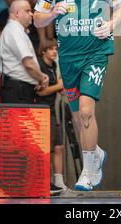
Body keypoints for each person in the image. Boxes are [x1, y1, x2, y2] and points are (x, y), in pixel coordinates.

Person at [34, 0, 121, 191]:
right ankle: (95, 153)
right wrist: (51, 14)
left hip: (96, 52)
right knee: (76, 117)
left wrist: (111, 24)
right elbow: (37, 17)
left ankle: (89, 170)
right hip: (68, 56)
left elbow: (119, 7)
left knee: (86, 111)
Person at [0, 0, 49, 104]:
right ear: (17, 13)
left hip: (19, 89)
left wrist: (37, 79)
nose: (32, 14)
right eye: (28, 11)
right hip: (17, 90)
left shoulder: (15, 29)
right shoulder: (14, 30)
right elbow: (28, 64)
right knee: (18, 121)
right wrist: (42, 78)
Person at [35, 39, 68, 195]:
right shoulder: (40, 66)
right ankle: (44, 183)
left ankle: (59, 182)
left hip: (52, 110)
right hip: (41, 110)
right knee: (46, 149)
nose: (54, 51)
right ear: (43, 51)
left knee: (58, 147)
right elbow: (41, 91)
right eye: (50, 49)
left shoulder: (53, 66)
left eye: (56, 48)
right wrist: (60, 85)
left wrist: (59, 89)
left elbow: (55, 87)